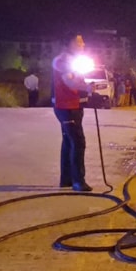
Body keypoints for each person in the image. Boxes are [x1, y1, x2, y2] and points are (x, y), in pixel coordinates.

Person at [52, 35, 93, 192]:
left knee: (69, 142)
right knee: (78, 142)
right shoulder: (63, 60)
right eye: (79, 42)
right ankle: (78, 182)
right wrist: (87, 88)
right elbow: (69, 81)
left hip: (73, 106)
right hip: (66, 107)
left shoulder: (72, 60)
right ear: (68, 43)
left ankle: (67, 180)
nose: (83, 44)